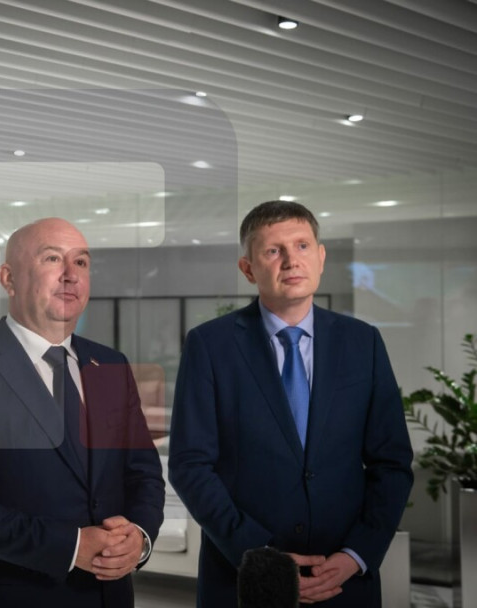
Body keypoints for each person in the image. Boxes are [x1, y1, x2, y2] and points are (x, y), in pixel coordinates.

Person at [168, 200, 413, 606]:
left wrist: (356, 555)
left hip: (344, 580)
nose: (291, 260)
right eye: (273, 250)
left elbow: (392, 462)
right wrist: (260, 556)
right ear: (248, 268)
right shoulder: (210, 345)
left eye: (302, 246)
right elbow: (190, 465)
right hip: (243, 577)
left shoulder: (363, 342)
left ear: (320, 257)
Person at [0, 217, 165, 607]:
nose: (71, 274)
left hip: (110, 595)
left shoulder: (110, 364)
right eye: (52, 258)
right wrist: (70, 546)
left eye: (81, 262)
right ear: (9, 278)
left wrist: (140, 535)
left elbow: (144, 472)